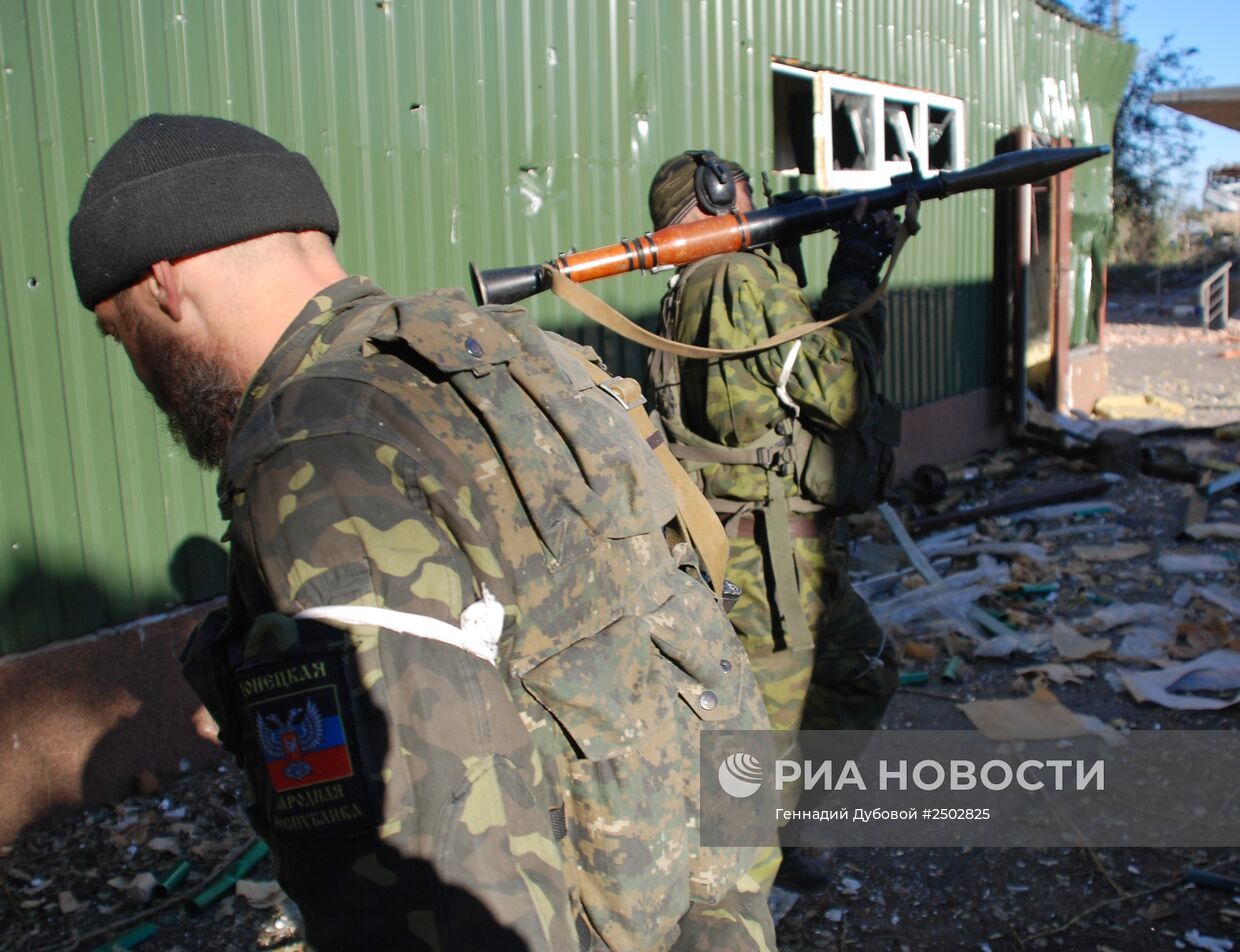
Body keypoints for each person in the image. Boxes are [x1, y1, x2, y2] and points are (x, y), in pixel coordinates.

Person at [68, 115, 775, 952]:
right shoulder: (525, 353)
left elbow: (431, 885)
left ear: (163, 286)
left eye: (120, 333)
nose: (135, 364)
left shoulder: (314, 455)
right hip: (714, 908)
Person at [646, 151, 902, 892]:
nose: (756, 207)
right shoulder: (735, 278)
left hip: (788, 557)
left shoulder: (712, 281)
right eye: (745, 197)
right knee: (755, 763)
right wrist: (854, 273)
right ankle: (736, 908)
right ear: (714, 197)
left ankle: (788, 833)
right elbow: (841, 391)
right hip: (766, 568)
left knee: (862, 672)